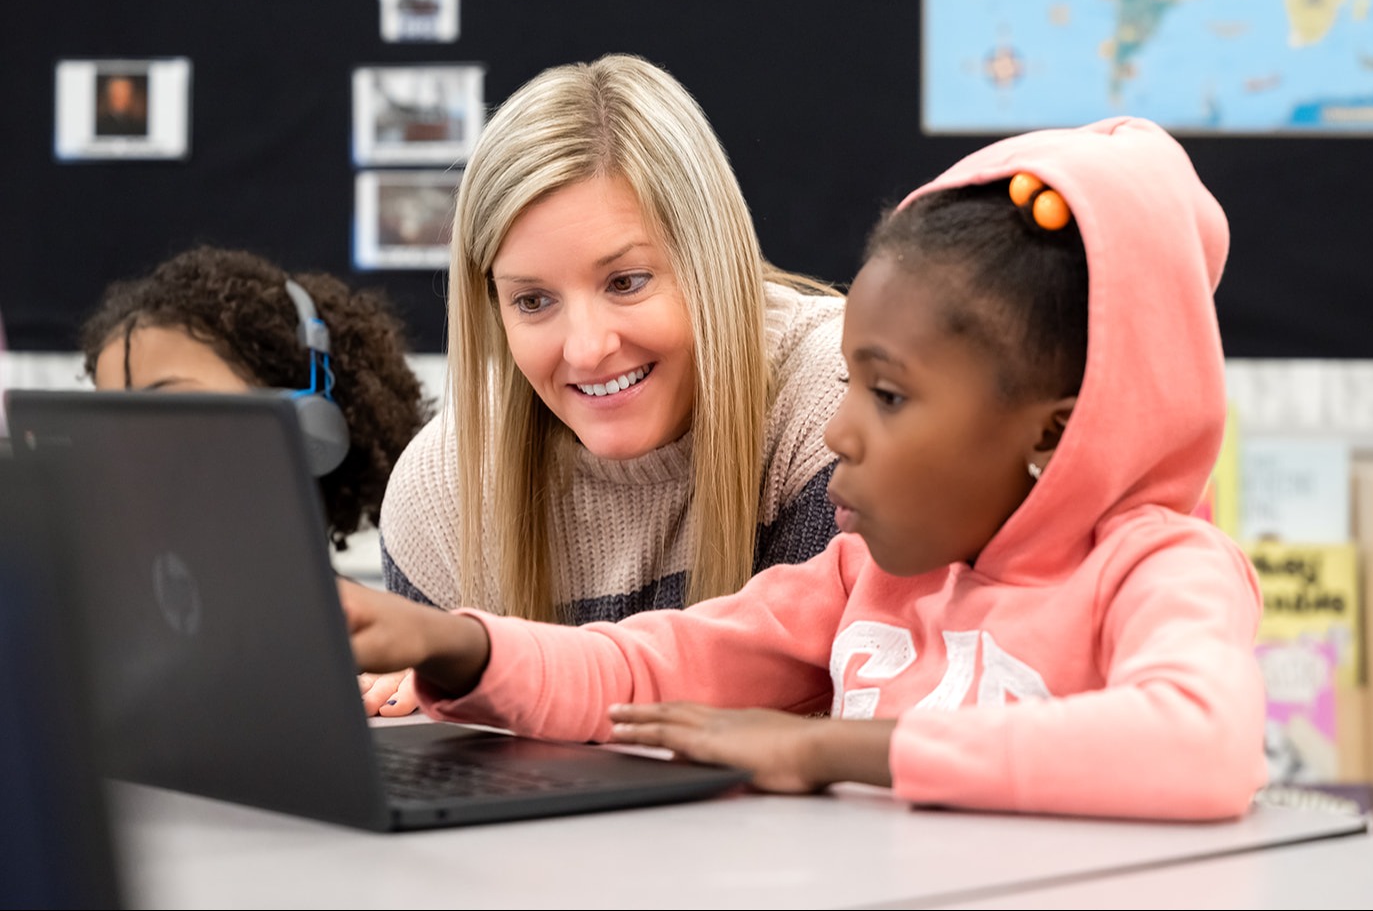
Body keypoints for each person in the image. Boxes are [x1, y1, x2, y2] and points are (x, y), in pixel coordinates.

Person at [339, 118, 1268, 820]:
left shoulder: (1158, 570)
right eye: (851, 384)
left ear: (1053, 432)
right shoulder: (863, 577)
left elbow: (1200, 743)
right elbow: (652, 663)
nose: (837, 431)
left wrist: (830, 747)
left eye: (888, 395)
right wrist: (456, 646)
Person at [368, 55, 846, 715]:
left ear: (712, 260)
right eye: (533, 301)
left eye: (626, 282)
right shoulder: (442, 492)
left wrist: (490, 668)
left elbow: (811, 706)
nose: (588, 349)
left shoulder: (847, 409)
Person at [82, 246, 428, 550]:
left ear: (305, 428)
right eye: (110, 420)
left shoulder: (360, 622)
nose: (126, 450)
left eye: (171, 407)